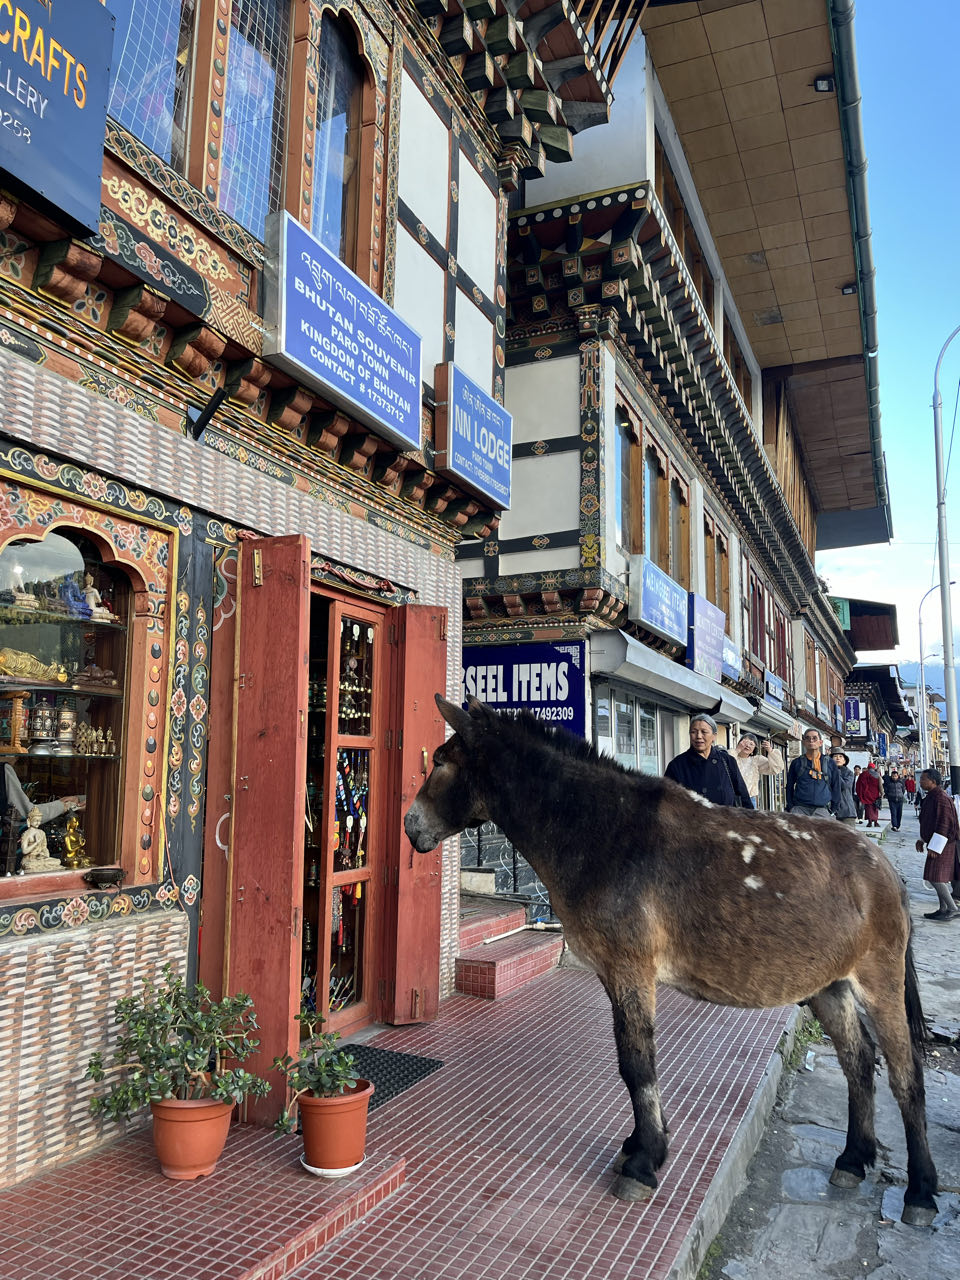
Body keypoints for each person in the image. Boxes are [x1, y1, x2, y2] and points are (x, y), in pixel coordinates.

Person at [665, 713, 754, 808]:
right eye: (693, 732)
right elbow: (666, 802)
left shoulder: (727, 761)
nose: (698, 736)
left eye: (704, 732)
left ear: (714, 736)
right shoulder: (677, 765)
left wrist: (752, 817)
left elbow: (744, 798)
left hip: (726, 817)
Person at [915, 768, 960, 921]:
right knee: (936, 876)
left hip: (943, 844)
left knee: (935, 877)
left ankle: (952, 908)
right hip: (935, 842)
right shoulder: (931, 796)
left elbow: (944, 823)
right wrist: (922, 839)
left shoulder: (941, 798)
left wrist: (935, 846)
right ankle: (943, 908)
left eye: (923, 779)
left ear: (933, 781)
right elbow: (928, 821)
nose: (921, 782)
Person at [785, 728, 842, 818]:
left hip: (823, 810)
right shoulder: (797, 763)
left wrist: (834, 810)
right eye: (807, 738)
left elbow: (836, 787)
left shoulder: (830, 763)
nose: (811, 741)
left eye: (814, 738)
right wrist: (791, 807)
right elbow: (789, 786)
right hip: (800, 809)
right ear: (804, 742)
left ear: (820, 742)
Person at [726, 733, 784, 808]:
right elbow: (726, 763)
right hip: (730, 797)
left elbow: (776, 768)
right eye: (745, 742)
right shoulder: (732, 755)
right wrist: (737, 750)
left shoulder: (756, 760)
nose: (747, 746)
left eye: (751, 744)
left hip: (749, 798)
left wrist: (770, 751)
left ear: (754, 749)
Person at [831, 752, 858, 826]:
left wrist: (836, 772)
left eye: (840, 756)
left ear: (844, 761)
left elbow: (844, 786)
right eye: (835, 756)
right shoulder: (827, 772)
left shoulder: (849, 773)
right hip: (830, 811)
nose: (838, 758)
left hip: (846, 811)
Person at [855, 761, 883, 827]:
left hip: (866, 794)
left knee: (868, 808)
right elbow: (880, 785)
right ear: (873, 768)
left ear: (868, 767)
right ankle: (875, 821)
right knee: (875, 808)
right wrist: (882, 793)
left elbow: (858, 784)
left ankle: (870, 821)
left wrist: (860, 793)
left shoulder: (863, 774)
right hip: (875, 794)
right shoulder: (877, 775)